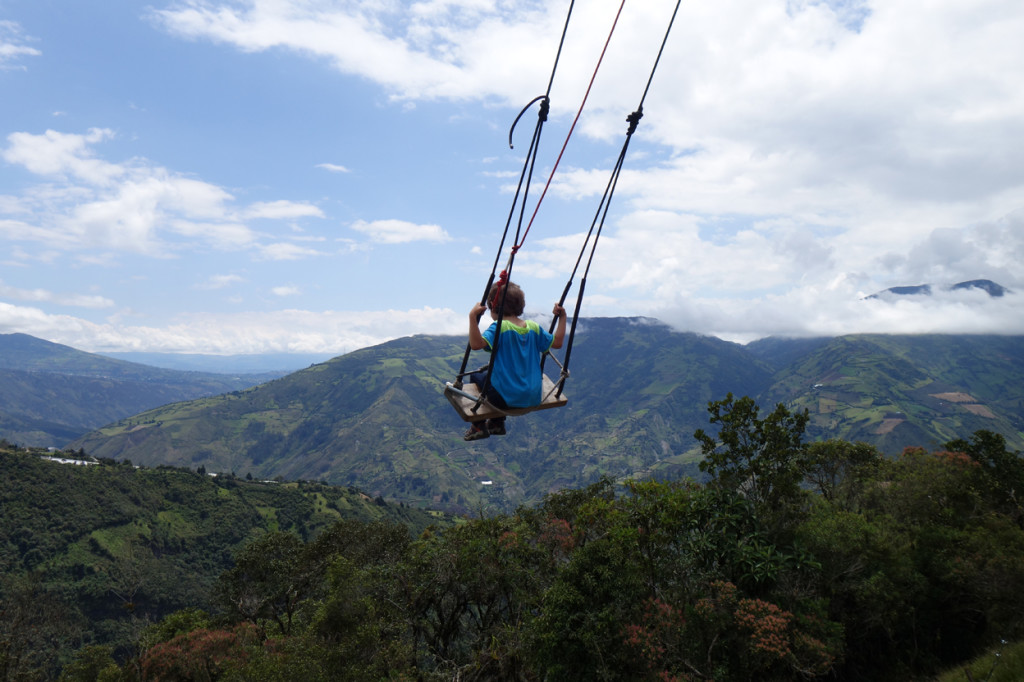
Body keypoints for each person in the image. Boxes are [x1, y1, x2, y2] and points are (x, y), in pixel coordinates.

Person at [463, 280, 567, 441]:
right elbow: (558, 342)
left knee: (477, 377)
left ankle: (479, 426)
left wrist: (472, 317)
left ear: (491, 304)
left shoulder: (499, 327)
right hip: (533, 397)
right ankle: (496, 424)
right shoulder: (533, 327)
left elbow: (476, 345)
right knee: (491, 377)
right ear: (521, 306)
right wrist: (562, 317)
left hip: (504, 399)